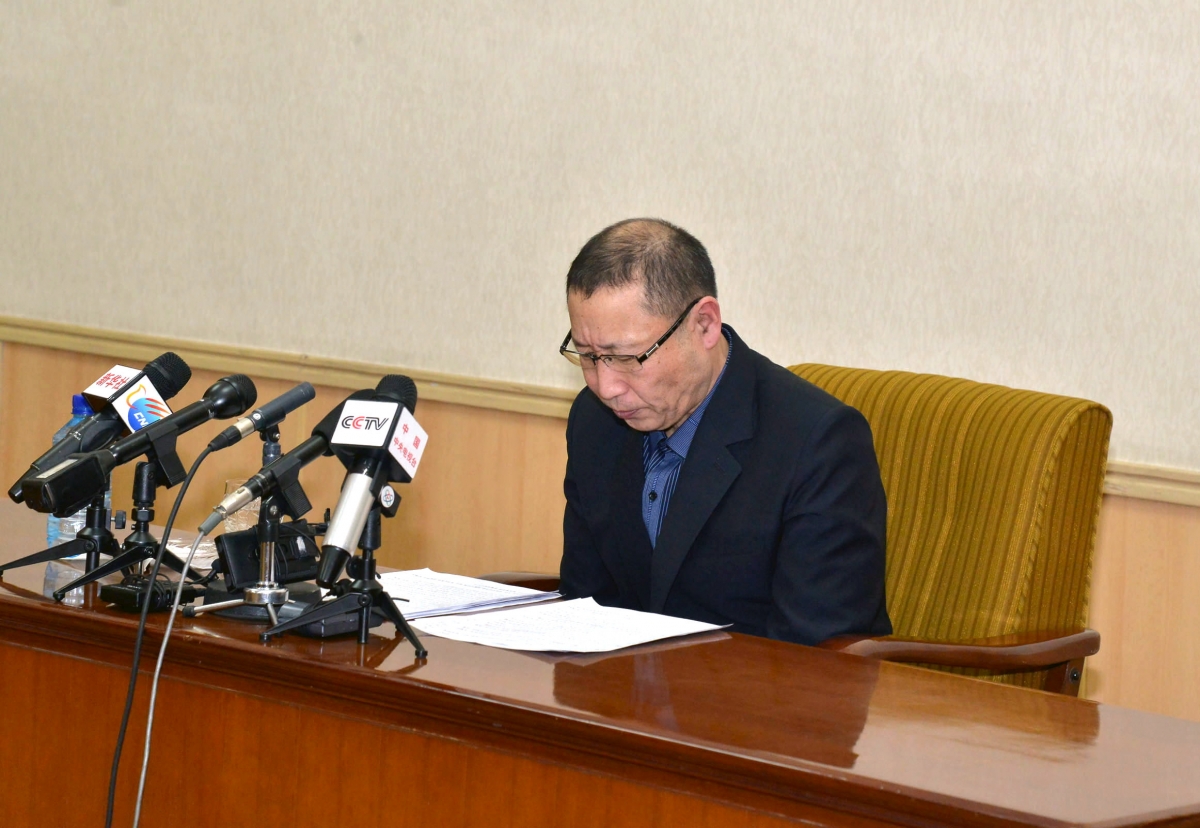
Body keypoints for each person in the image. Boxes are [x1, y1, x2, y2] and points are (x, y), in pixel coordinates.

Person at [558, 218, 891, 646]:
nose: (606, 387)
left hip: (753, 704)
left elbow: (819, 654)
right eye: (587, 356)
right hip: (618, 701)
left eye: (626, 357)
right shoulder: (594, 421)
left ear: (705, 325)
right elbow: (584, 604)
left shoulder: (817, 443)